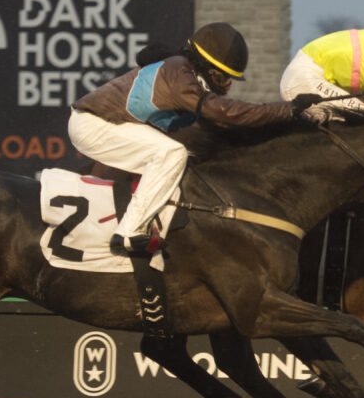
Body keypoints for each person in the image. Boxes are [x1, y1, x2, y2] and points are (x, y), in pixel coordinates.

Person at [69, 22, 316, 256]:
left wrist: (293, 124)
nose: (227, 86)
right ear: (204, 67)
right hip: (93, 123)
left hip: (112, 125)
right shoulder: (178, 72)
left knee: (180, 155)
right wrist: (287, 109)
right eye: (222, 78)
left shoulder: (185, 74)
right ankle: (128, 233)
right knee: (171, 153)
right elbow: (225, 112)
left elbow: (229, 128)